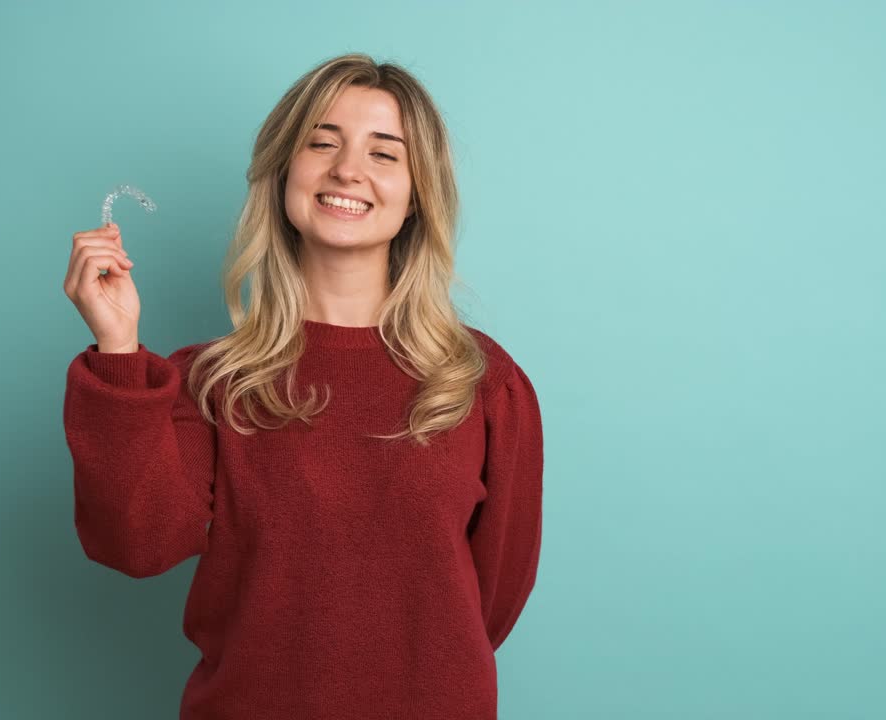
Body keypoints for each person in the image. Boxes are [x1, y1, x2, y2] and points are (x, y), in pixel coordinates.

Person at [62, 52, 543, 719]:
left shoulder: (483, 384)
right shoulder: (211, 382)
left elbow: (490, 602)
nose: (348, 169)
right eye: (322, 142)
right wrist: (118, 347)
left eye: (384, 154)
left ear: (417, 197)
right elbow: (135, 544)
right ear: (284, 173)